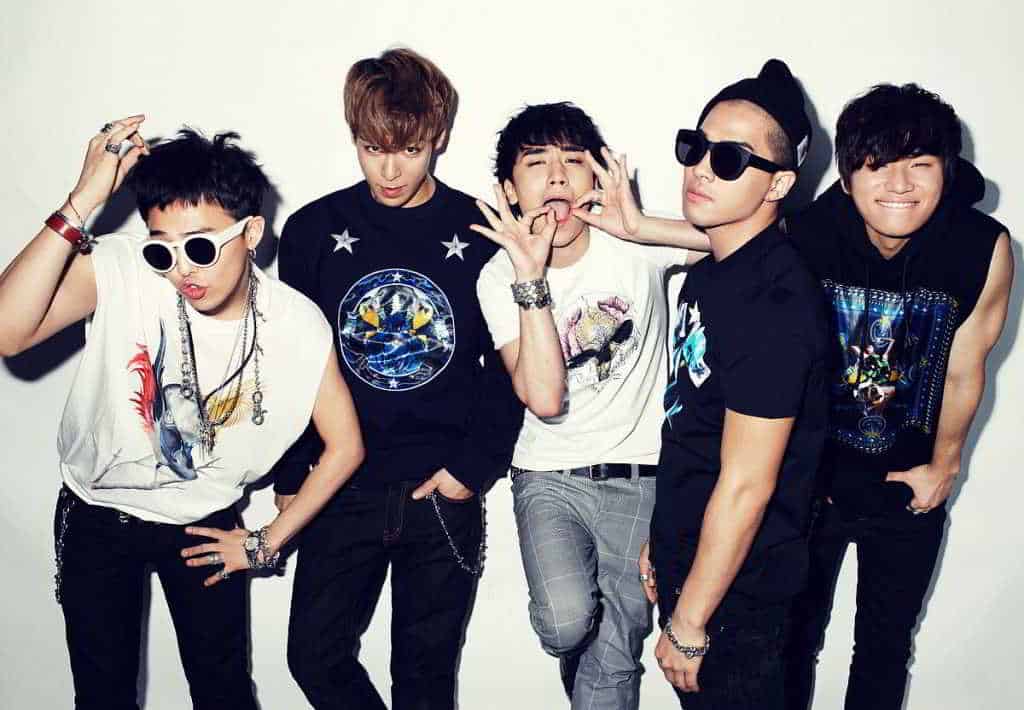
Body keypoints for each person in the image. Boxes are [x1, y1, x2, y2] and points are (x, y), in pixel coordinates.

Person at [0, 118, 364, 710]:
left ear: (251, 232)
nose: (181, 270)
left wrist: (263, 543)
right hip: (97, 515)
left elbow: (345, 445)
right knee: (101, 695)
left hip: (202, 525)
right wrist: (83, 200)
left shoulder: (295, 324)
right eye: (161, 248)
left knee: (223, 694)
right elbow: (7, 332)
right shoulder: (125, 270)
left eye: (199, 247)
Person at [271, 48, 523, 710]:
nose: (389, 169)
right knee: (313, 657)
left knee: (425, 681)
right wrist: (291, 474)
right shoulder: (312, 230)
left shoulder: (481, 230)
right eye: (371, 147)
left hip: (440, 488)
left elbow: (509, 365)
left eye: (408, 150)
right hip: (340, 484)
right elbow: (293, 359)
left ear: (438, 136)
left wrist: (474, 467)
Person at [784, 83, 1014, 710]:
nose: (899, 184)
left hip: (906, 487)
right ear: (848, 176)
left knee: (885, 648)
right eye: (877, 164)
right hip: (813, 484)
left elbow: (966, 370)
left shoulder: (981, 247)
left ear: (947, 171)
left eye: (921, 164)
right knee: (790, 641)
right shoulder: (806, 235)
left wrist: (945, 467)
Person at [472, 102, 707, 710]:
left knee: (616, 659)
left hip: (643, 476)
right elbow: (545, 398)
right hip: (549, 476)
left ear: (596, 175)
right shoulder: (498, 276)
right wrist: (531, 277)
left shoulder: (633, 246)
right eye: (537, 163)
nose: (557, 176)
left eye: (573, 161)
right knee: (565, 623)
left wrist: (643, 226)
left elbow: (745, 241)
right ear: (509, 189)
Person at [637, 59, 829, 709]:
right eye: (695, 147)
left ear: (779, 184)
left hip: (739, 594)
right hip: (700, 565)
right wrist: (667, 537)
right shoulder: (713, 272)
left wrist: (691, 621)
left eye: (729, 159)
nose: (700, 168)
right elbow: (695, 424)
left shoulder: (774, 301)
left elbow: (749, 484)